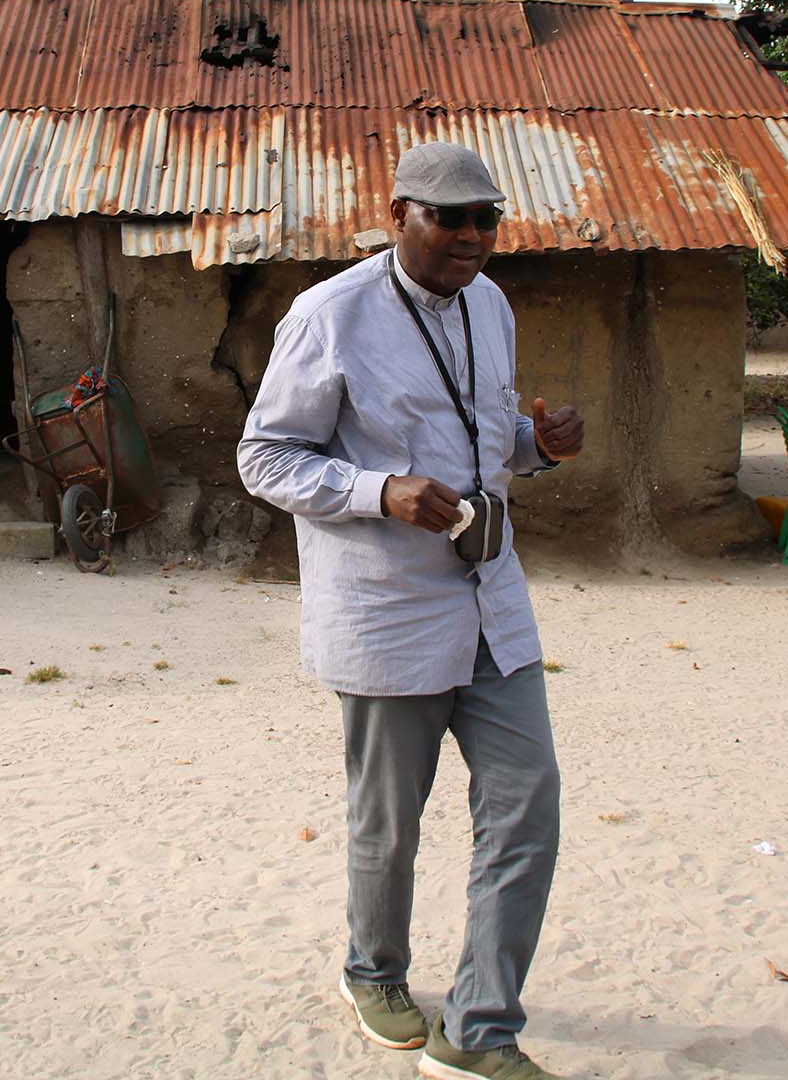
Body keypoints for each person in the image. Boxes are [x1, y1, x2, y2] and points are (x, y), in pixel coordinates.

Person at [238, 142, 583, 1080]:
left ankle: (477, 1031)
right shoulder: (331, 315)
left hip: (491, 600)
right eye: (449, 217)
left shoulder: (491, 304)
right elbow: (264, 457)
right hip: (388, 609)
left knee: (527, 804)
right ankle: (373, 972)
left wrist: (540, 444)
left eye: (486, 218)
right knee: (389, 820)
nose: (472, 235)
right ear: (400, 214)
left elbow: (489, 439)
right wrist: (378, 491)